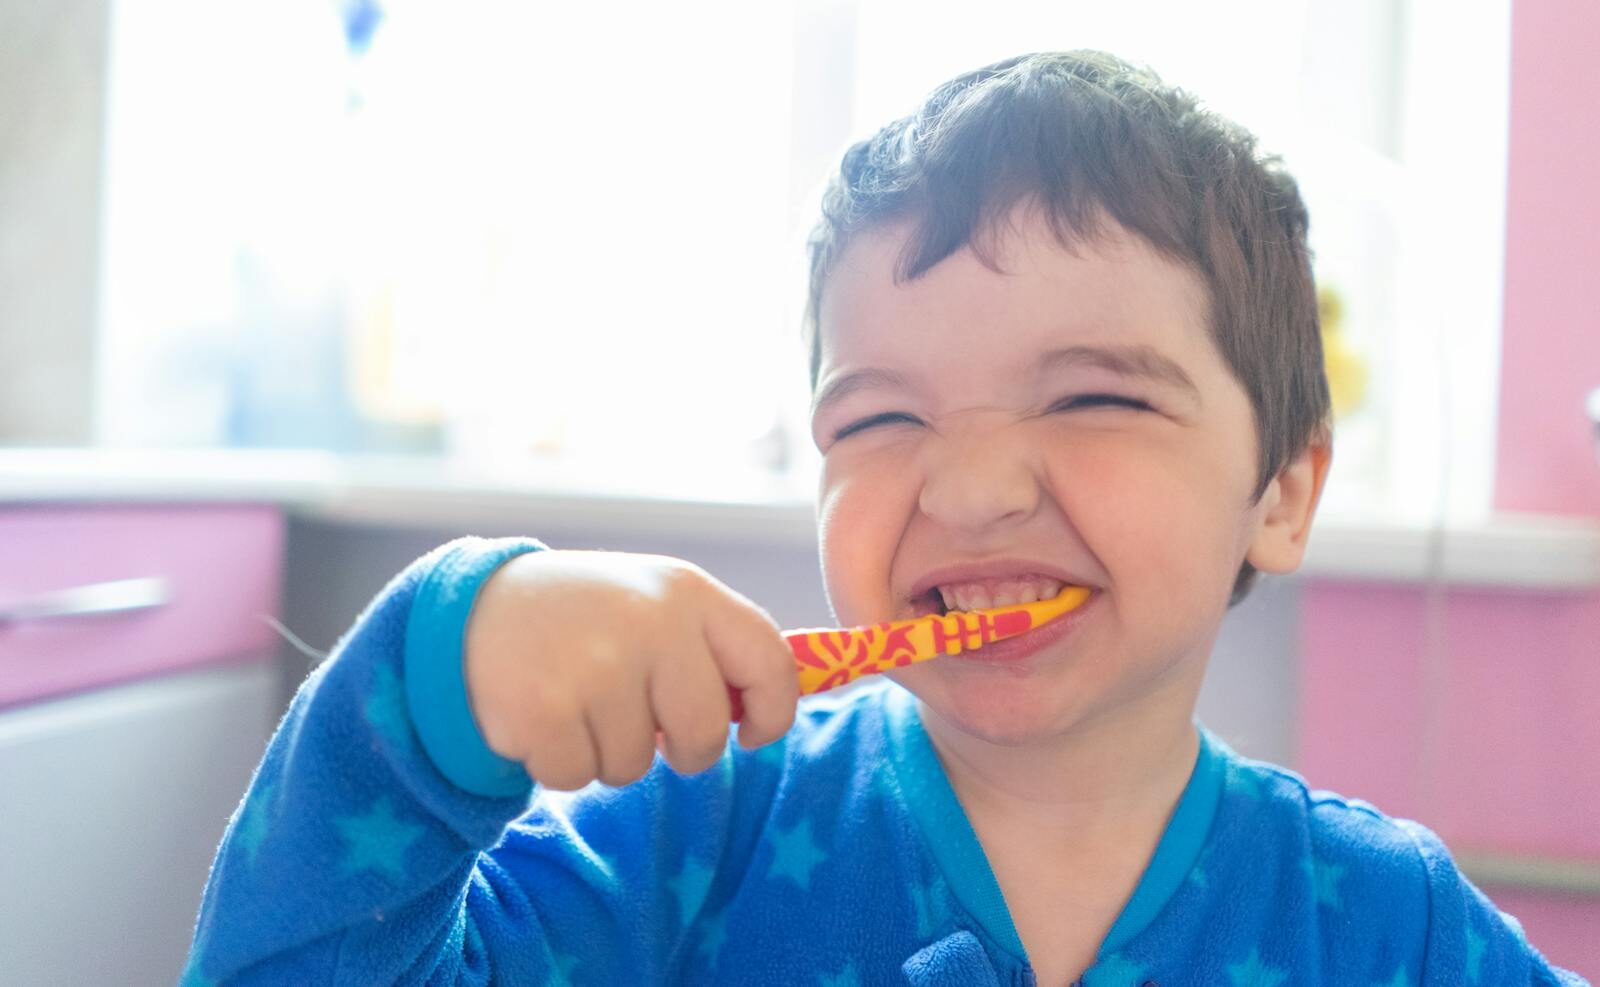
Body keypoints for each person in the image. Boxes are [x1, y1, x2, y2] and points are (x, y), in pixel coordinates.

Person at [182, 51, 1587, 985]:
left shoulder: (1389, 928)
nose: (969, 488)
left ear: (1281, 488)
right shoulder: (689, 842)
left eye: (1097, 398)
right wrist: (434, 692)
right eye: (880, 419)